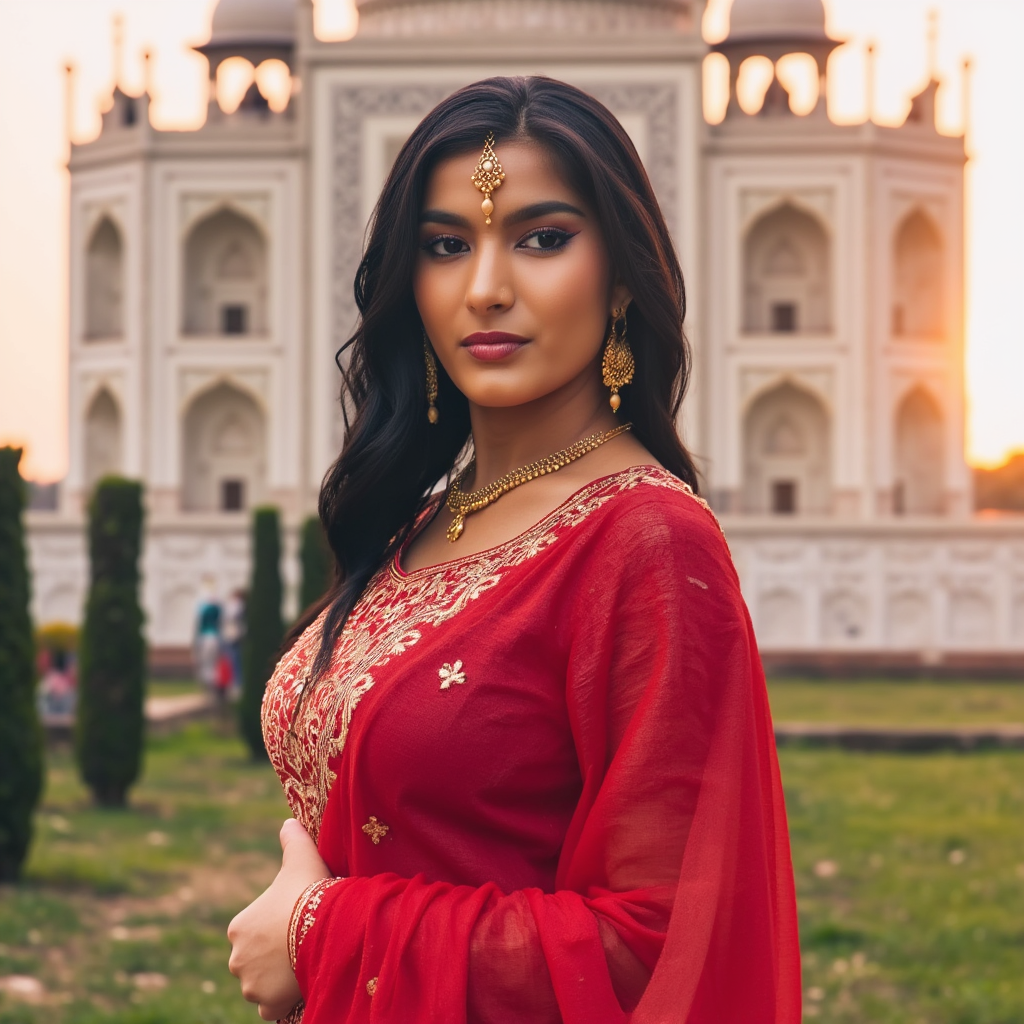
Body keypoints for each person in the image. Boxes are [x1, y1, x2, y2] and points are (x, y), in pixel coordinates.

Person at [227, 77, 801, 1024]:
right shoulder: (426, 518)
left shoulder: (646, 540)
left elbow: (658, 949)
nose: (486, 287)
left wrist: (322, 934)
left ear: (621, 274)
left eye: (542, 238)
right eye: (445, 246)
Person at [193, 581, 222, 693]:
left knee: (206, 662)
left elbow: (199, 623)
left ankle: (207, 684)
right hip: (215, 637)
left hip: (205, 636)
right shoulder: (217, 608)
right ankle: (212, 683)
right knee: (213, 662)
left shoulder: (203, 607)